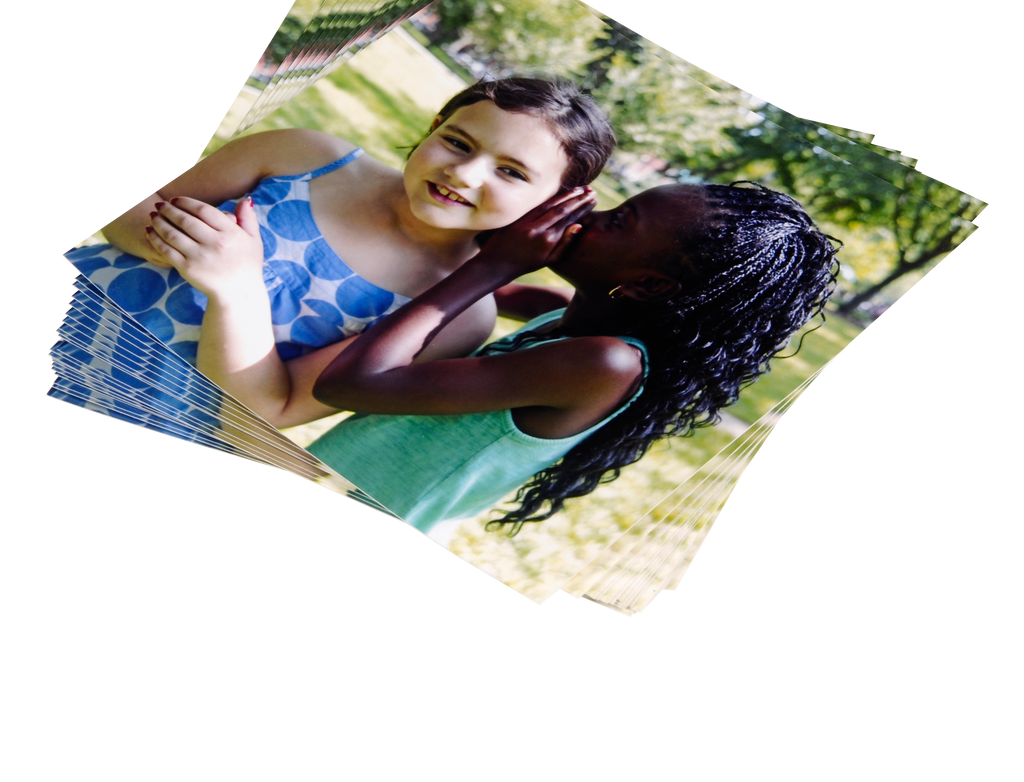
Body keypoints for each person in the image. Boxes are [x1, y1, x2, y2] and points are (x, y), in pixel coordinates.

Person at [149, 177, 840, 534]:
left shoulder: (604, 365)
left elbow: (355, 379)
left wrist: (485, 271)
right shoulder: (562, 316)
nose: (590, 219)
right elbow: (464, 274)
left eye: (618, 221)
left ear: (649, 285)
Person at [60, 78, 615, 373]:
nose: (464, 173)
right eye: (457, 141)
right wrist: (170, 247)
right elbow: (132, 211)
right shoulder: (302, 154)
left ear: (554, 203)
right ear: (434, 125)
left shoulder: (459, 316)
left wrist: (237, 284)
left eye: (512, 172)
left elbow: (274, 406)